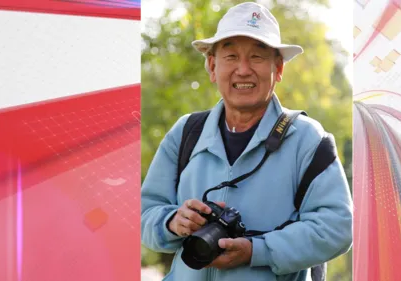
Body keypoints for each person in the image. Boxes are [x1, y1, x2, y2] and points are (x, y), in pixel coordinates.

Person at [141, 2, 352, 281]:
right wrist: (172, 222)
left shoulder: (309, 140)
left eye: (256, 57)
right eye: (230, 56)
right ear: (212, 66)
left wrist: (257, 251)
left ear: (278, 69)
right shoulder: (185, 133)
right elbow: (144, 213)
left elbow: (337, 228)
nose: (243, 70)